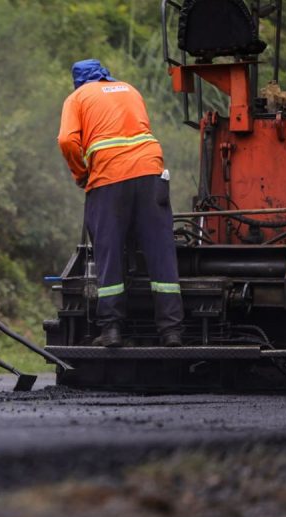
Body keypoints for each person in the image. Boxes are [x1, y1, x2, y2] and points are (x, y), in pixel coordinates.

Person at [57, 59, 184, 348]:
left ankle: (111, 330)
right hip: (152, 172)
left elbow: (66, 140)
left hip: (109, 178)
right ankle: (171, 331)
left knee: (109, 251)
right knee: (160, 251)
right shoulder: (129, 88)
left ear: (79, 82)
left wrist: (81, 173)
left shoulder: (78, 97)